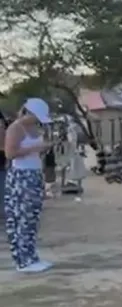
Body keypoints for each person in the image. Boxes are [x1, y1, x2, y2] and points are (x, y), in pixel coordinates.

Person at [3, 98, 53, 272]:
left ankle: (31, 257)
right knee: (22, 218)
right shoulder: (16, 128)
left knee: (32, 218)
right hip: (21, 176)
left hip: (33, 175)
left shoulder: (34, 128)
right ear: (28, 112)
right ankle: (23, 261)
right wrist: (36, 148)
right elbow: (10, 153)